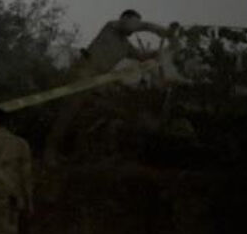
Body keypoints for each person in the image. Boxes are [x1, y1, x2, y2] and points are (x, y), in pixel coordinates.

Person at [45, 10, 170, 165]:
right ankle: (49, 151)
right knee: (69, 111)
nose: (134, 27)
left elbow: (142, 57)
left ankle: (79, 151)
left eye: (137, 24)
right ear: (123, 19)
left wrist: (158, 53)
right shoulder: (111, 27)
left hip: (100, 79)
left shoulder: (126, 45)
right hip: (85, 72)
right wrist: (157, 29)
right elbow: (137, 26)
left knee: (99, 111)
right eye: (134, 22)